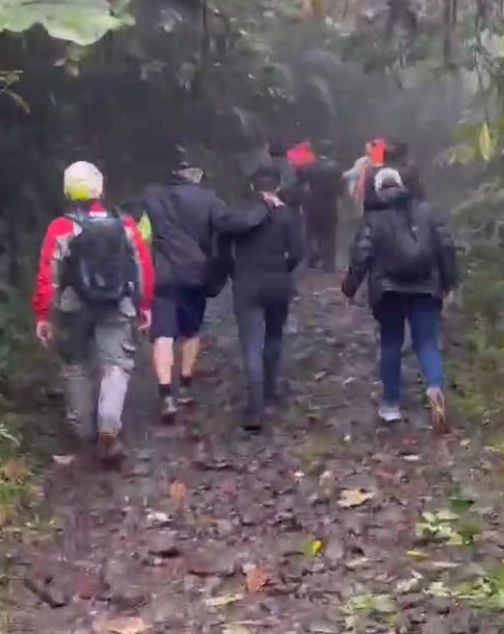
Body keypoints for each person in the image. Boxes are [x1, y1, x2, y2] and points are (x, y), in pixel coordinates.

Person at [33, 161, 154, 465]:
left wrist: (44, 315)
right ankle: (108, 429)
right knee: (116, 365)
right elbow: (143, 267)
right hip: (117, 303)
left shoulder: (61, 227)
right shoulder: (124, 224)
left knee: (75, 365)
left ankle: (83, 430)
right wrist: (144, 305)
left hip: (75, 306)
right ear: (100, 187)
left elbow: (49, 276)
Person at [342, 168, 458, 430]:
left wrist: (350, 288)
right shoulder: (426, 211)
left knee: (391, 344)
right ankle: (435, 387)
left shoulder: (373, 217)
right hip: (425, 288)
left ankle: (391, 405)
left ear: (379, 189)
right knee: (427, 343)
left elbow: (362, 255)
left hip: (388, 290)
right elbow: (446, 247)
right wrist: (449, 283)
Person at [139, 157, 254, 421]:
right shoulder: (210, 200)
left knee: (163, 335)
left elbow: (141, 236)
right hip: (196, 275)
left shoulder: (153, 198)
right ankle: (186, 385)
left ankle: (166, 394)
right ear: (195, 174)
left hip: (163, 277)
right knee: (191, 331)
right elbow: (229, 226)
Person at [228, 164, 305, 432]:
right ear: (278, 186)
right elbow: (298, 252)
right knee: (274, 337)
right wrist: (284, 268)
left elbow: (226, 240)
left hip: (247, 283)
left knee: (251, 344)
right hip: (278, 282)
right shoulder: (289, 215)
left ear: (251, 187)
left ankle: (255, 408)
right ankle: (270, 391)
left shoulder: (241, 213)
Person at [301, 140, 344, 271]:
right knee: (329, 235)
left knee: (311, 233)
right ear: (331, 152)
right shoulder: (336, 167)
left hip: (312, 204)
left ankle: (312, 260)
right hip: (329, 205)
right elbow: (340, 190)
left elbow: (303, 184)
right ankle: (328, 263)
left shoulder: (310, 166)